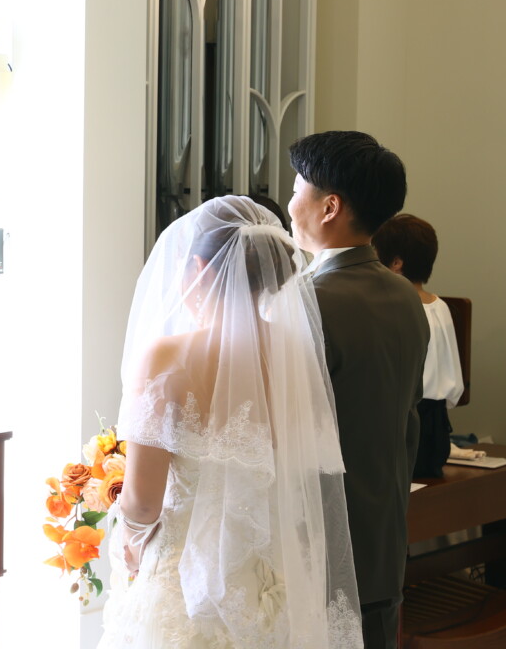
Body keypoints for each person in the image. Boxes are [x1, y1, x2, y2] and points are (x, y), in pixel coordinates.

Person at [100, 195, 363, 648]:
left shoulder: (165, 358)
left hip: (184, 585)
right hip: (272, 582)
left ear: (200, 269)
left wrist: (128, 543)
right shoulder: (294, 357)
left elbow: (143, 504)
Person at [287, 131, 429, 649]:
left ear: (330, 207)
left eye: (296, 189)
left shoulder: (306, 302)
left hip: (323, 550)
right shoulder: (406, 295)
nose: (289, 204)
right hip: (385, 540)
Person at [372, 214, 465, 478]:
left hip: (403, 423)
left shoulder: (392, 306)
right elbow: (453, 380)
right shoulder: (441, 306)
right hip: (437, 428)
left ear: (396, 263)